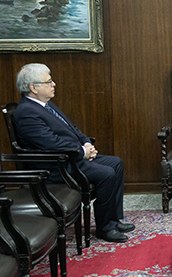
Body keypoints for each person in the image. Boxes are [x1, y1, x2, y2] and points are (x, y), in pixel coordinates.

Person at [13, 63, 134, 243]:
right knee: (107, 174)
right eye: (49, 81)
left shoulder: (45, 105)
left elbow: (71, 128)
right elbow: (50, 144)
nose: (53, 84)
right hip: (55, 166)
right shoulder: (26, 112)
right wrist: (81, 152)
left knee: (116, 163)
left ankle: (113, 219)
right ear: (33, 87)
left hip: (72, 157)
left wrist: (86, 142)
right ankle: (105, 228)